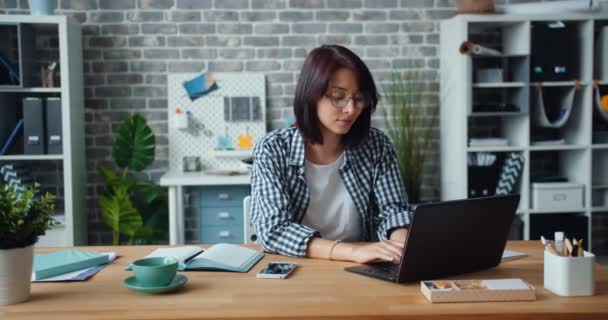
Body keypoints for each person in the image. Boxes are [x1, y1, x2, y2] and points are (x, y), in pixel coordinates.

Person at [251, 44, 410, 264]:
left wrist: (399, 247)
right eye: (338, 96)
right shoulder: (272, 149)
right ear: (311, 95)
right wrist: (352, 253)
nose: (351, 109)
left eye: (359, 98)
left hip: (362, 268)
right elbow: (274, 231)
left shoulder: (376, 145)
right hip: (300, 266)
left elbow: (393, 210)